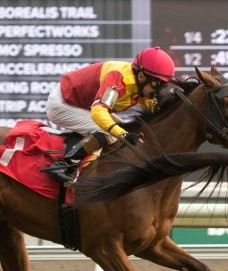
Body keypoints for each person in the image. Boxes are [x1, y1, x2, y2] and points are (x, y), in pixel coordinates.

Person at [41, 46, 177, 184]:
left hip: (84, 104)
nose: (158, 90)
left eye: (163, 85)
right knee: (110, 133)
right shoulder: (119, 79)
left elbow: (153, 107)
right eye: (157, 85)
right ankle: (63, 165)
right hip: (63, 104)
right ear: (141, 76)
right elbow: (98, 111)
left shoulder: (141, 84)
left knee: (123, 129)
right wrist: (122, 134)